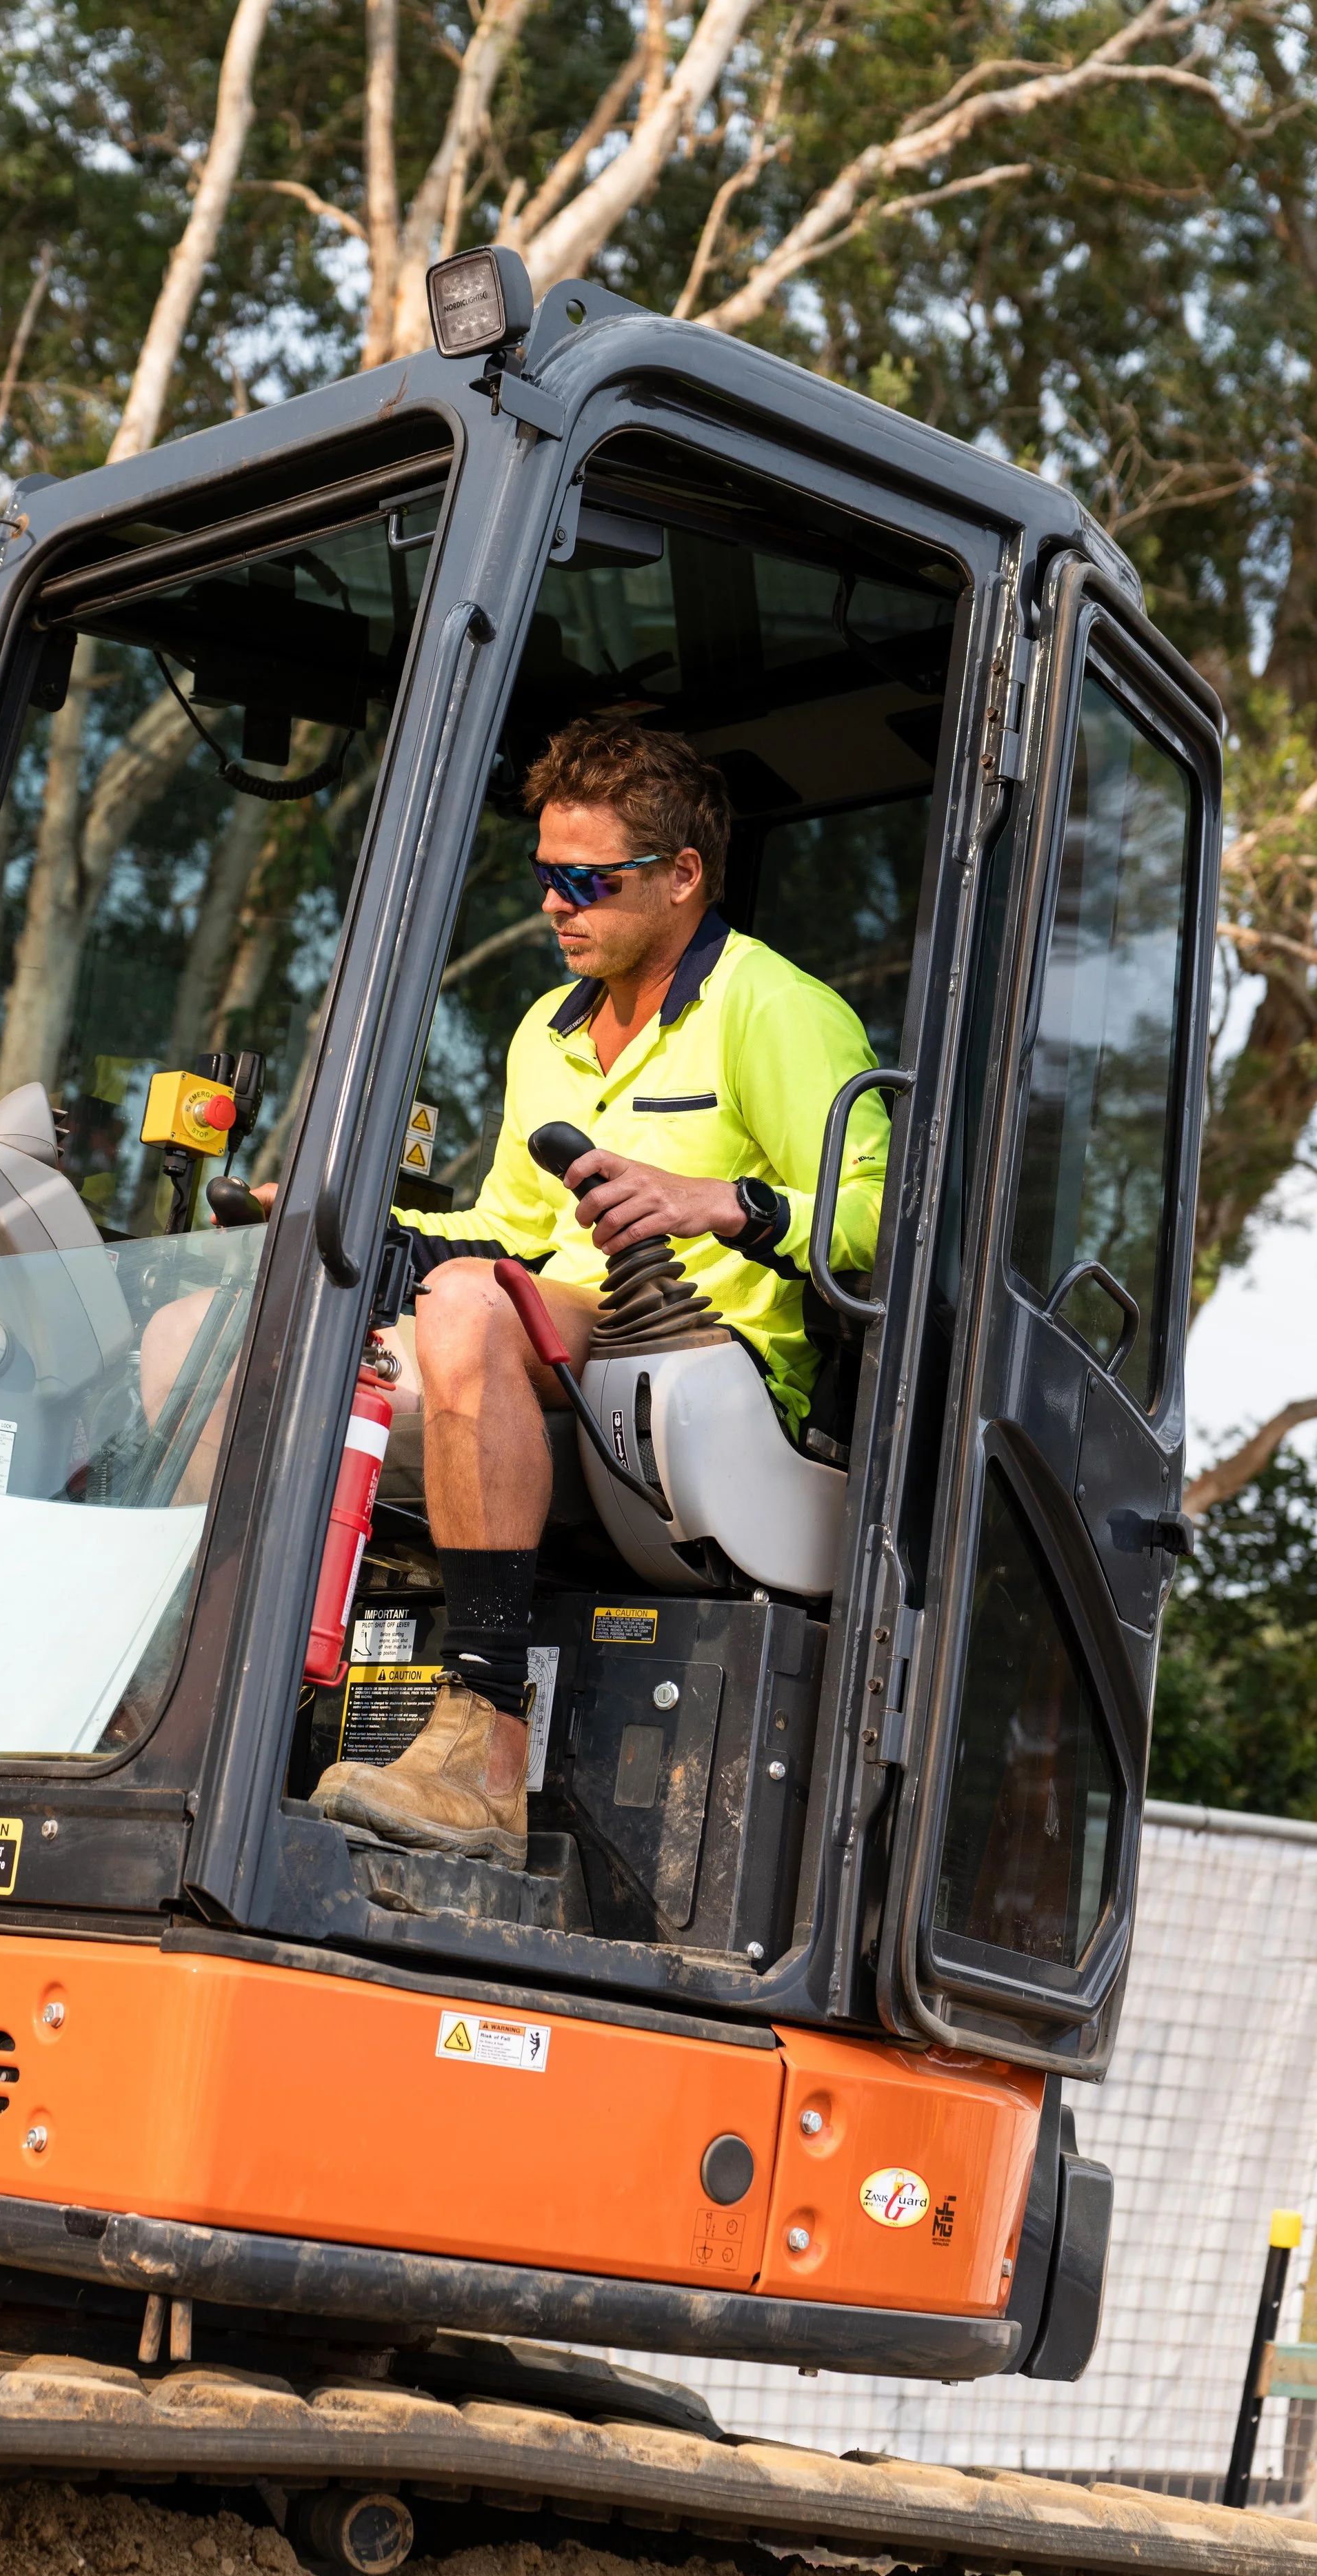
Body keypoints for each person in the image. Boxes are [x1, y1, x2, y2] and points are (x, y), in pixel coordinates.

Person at [309, 718, 891, 1869]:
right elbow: (511, 1232)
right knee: (229, 1329)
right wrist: (342, 1234)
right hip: (565, 1346)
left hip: (712, 1368)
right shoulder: (549, 1031)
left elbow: (882, 1222)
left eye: (589, 880)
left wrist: (719, 1201)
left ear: (682, 878)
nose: (557, 906)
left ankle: (482, 1747)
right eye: (546, 878)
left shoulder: (772, 1009)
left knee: (475, 1306)